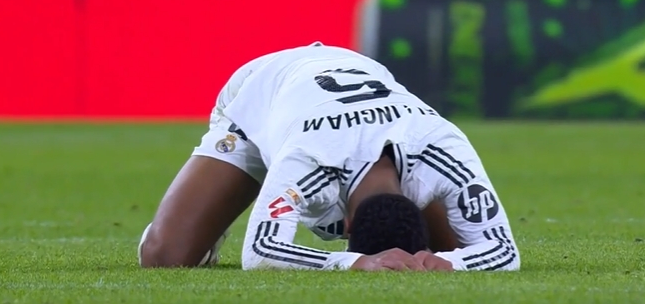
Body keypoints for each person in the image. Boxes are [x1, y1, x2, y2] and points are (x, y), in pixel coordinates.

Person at [138, 42, 519, 271]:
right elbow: (259, 252)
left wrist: (450, 261)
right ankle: (218, 211)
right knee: (165, 256)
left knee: (454, 250)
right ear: (346, 227)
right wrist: (355, 262)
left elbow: (504, 251)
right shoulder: (309, 159)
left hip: (357, 72)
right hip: (265, 89)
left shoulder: (443, 146)